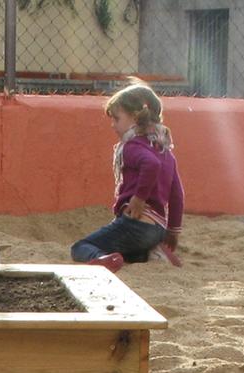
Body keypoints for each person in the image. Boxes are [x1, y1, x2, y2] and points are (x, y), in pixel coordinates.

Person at [71, 79, 184, 273]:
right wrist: (173, 231)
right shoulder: (165, 150)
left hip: (135, 224)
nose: (113, 125)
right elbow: (177, 195)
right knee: (126, 251)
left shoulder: (133, 147)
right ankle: (152, 253)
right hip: (157, 230)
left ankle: (100, 259)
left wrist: (139, 198)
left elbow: (151, 164)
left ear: (134, 117)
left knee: (80, 247)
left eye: (116, 118)